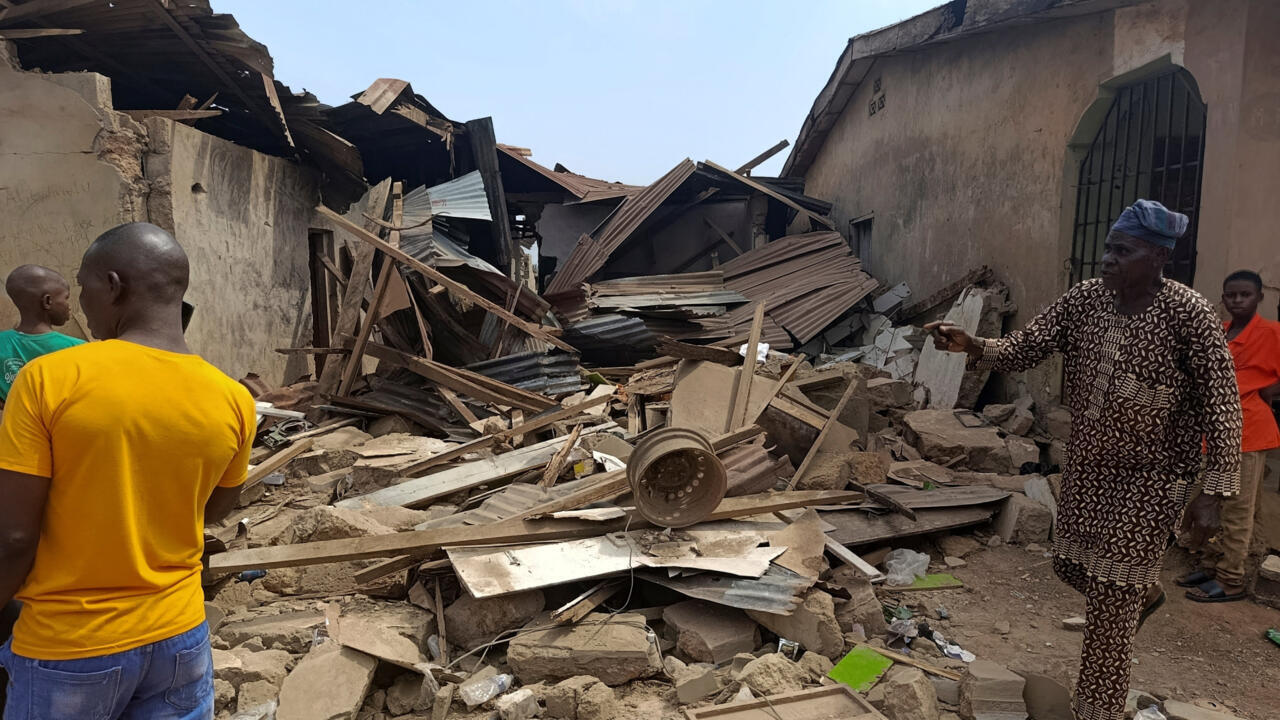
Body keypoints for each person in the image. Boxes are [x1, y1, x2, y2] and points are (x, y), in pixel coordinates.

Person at [926, 199, 1241, 720]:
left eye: (1124, 251)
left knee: (1111, 598)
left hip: (1155, 478)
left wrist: (1214, 491)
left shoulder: (1190, 314)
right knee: (1073, 566)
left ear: (1159, 257)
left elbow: (1223, 405)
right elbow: (1028, 345)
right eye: (1109, 248)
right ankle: (1142, 592)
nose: (1108, 258)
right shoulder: (1086, 300)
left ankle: (1098, 708)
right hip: (1089, 468)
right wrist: (974, 344)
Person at [0, 223, 256, 720]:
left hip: (71, 644)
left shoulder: (51, 378)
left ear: (113, 285)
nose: (81, 304)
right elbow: (213, 509)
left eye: (84, 287)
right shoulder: (233, 397)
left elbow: (13, 536)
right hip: (181, 636)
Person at [1179, 270, 1280, 601]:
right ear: (1222, 298)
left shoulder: (1271, 333)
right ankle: (1211, 565)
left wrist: (1268, 391)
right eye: (1231, 295)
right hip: (1214, 433)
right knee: (1214, 504)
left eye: (1244, 295)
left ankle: (1231, 578)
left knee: (1237, 508)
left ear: (1259, 297)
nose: (1237, 300)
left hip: (1249, 433)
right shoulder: (1219, 332)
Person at [0, 265, 84, 405]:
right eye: (66, 298)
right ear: (47, 301)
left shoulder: (2, 343)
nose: (68, 306)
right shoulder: (78, 349)